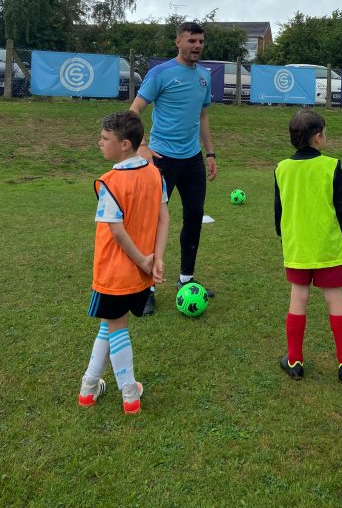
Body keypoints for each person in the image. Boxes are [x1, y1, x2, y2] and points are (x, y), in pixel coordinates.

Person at [78, 110, 169, 413]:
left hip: (115, 272)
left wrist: (146, 260)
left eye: (105, 139)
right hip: (137, 271)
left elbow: (116, 232)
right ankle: (89, 388)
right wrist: (157, 257)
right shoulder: (155, 174)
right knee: (111, 323)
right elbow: (163, 217)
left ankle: (130, 394)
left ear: (125, 145)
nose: (99, 143)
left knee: (117, 327)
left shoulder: (111, 182)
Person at [130, 21, 217, 315]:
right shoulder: (161, 73)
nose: (197, 46)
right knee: (155, 222)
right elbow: (134, 111)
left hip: (192, 159)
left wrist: (210, 153)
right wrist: (142, 145)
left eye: (201, 41)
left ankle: (186, 280)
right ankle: (148, 288)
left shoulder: (205, 77)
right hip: (162, 159)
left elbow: (203, 118)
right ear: (178, 41)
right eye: (192, 40)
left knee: (193, 218)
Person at [274, 109, 342, 383]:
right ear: (318, 137)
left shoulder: (282, 168)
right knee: (334, 299)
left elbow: (278, 211)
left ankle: (294, 361)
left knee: (298, 298)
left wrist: (285, 237)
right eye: (325, 133)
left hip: (298, 248)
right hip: (327, 247)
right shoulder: (331, 166)